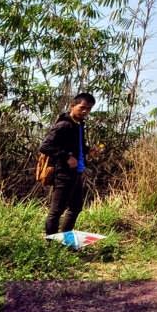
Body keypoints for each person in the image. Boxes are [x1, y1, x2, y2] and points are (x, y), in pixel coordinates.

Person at [39, 92, 100, 234]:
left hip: (76, 172)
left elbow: (74, 145)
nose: (85, 111)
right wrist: (66, 157)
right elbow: (45, 147)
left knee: (76, 207)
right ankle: (51, 244)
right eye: (82, 107)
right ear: (72, 106)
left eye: (89, 109)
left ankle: (65, 239)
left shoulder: (78, 124)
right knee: (57, 210)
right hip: (63, 173)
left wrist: (88, 150)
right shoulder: (64, 125)